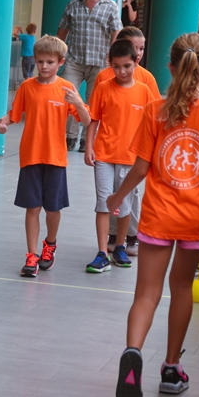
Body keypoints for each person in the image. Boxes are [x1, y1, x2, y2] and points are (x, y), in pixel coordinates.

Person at [109, 33, 199, 397]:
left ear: (170, 67)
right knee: (181, 287)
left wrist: (118, 198)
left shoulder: (155, 109)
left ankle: (133, 351)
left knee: (146, 294)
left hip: (157, 217)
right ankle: (170, 369)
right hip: (198, 220)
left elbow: (141, 166)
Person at [0, 36, 91, 277]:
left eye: (50, 62)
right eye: (40, 61)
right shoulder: (27, 87)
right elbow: (13, 115)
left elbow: (86, 120)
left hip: (56, 158)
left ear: (60, 63)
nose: (44, 66)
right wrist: (2, 123)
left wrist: (78, 102)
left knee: (53, 209)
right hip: (30, 157)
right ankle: (31, 254)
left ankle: (50, 244)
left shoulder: (67, 88)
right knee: (32, 208)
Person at [84, 39, 158, 272]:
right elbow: (93, 120)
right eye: (116, 66)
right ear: (110, 64)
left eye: (126, 66)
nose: (121, 71)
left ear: (136, 62)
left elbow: (152, 125)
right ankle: (101, 252)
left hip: (131, 159)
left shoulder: (145, 91)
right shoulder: (103, 87)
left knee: (125, 206)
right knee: (103, 204)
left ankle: (120, 246)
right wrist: (89, 147)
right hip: (104, 155)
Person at [57, 0, 122, 152]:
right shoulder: (73, 3)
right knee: (68, 97)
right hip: (74, 61)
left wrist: (113, 57)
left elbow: (116, 32)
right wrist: (58, 53)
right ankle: (70, 137)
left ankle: (87, 140)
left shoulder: (111, 6)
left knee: (94, 103)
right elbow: (62, 30)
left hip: (100, 62)